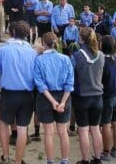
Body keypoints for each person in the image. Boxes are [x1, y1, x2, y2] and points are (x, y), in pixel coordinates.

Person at [0, 21, 37, 164]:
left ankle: (6, 157)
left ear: (13, 33)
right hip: (27, 94)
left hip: (9, 93)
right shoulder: (32, 52)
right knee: (22, 128)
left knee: (3, 124)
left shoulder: (3, 50)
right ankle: (18, 161)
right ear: (27, 35)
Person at [34, 32, 74, 164]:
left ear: (43, 44)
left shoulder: (39, 60)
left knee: (48, 133)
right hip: (64, 95)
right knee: (63, 132)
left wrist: (52, 101)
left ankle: (50, 161)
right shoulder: (65, 59)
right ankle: (65, 160)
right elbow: (69, 83)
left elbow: (40, 84)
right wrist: (62, 102)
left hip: (46, 98)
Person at [70, 27, 105, 164]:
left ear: (81, 38)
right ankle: (97, 158)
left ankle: (85, 160)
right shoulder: (101, 55)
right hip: (97, 96)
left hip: (82, 96)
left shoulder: (76, 56)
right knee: (95, 129)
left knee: (83, 130)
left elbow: (72, 76)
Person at [100, 35, 116, 161]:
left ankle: (106, 152)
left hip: (107, 95)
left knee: (106, 124)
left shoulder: (103, 61)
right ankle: (115, 149)